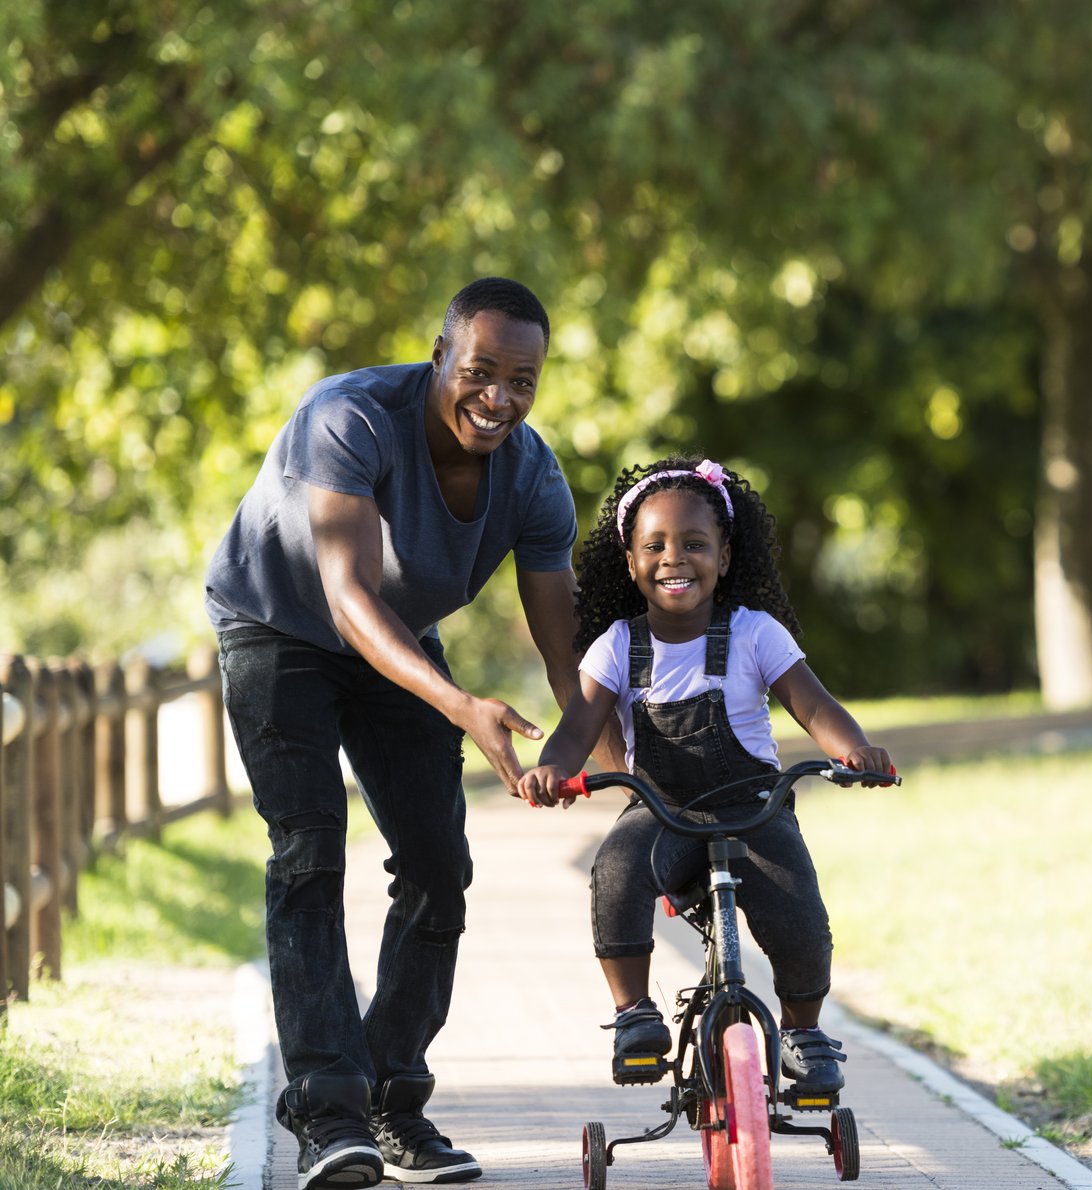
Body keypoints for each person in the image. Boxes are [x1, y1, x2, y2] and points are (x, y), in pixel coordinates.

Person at [207, 278, 594, 1188]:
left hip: (396, 643)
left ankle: (392, 1098)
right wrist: (462, 705)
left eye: (523, 380)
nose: (500, 398)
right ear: (439, 356)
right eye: (481, 371)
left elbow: (564, 655)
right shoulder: (346, 418)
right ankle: (327, 1113)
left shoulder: (533, 477)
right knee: (309, 853)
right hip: (275, 623)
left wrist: (604, 765)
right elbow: (347, 594)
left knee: (437, 864)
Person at [517, 456, 893, 1097]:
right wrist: (554, 769)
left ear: (723, 555)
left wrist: (853, 748)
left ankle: (804, 1032)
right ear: (630, 560)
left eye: (694, 544)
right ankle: (635, 1014)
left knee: (801, 915)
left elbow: (813, 704)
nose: (674, 559)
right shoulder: (616, 645)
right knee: (613, 870)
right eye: (655, 545)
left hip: (754, 807)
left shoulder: (754, 633)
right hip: (660, 810)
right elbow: (578, 727)